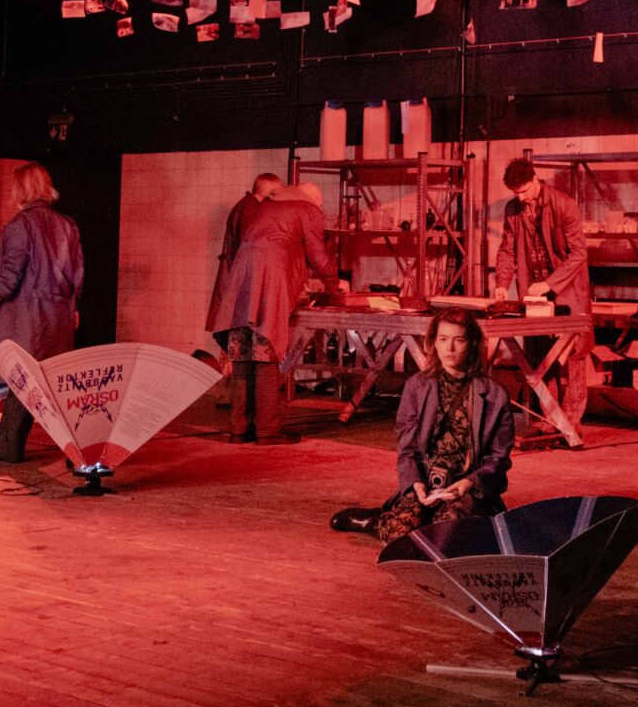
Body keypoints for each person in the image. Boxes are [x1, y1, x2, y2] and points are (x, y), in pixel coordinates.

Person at [331, 309, 514, 539]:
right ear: (434, 343)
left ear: (472, 343)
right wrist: (415, 483)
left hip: (468, 490)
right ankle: (376, 521)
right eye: (443, 339)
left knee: (444, 537)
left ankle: (446, 522)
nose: (450, 348)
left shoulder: (495, 395)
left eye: (459, 340)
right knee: (398, 533)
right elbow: (407, 449)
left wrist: (469, 483)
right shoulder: (417, 386)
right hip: (426, 482)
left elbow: (498, 459)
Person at [0, 160, 83, 465]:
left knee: (22, 380)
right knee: (54, 384)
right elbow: (77, 273)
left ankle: (9, 448)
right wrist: (74, 308)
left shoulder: (20, 226)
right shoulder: (67, 225)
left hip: (28, 317)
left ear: (21, 189)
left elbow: (10, 275)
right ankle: (76, 450)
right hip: (58, 316)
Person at [205, 180, 332, 442]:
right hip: (268, 285)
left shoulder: (266, 206)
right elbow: (317, 255)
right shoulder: (306, 209)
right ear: (314, 201)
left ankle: (239, 429)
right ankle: (267, 430)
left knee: (242, 355)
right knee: (265, 352)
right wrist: (335, 282)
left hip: (242, 283)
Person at [492, 158, 591, 317]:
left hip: (567, 291)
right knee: (535, 331)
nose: (520, 198)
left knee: (568, 332)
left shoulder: (565, 205)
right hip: (532, 293)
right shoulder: (513, 209)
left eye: (524, 191)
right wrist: (502, 284)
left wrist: (549, 284)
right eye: (516, 193)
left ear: (535, 179)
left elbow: (579, 253)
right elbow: (507, 251)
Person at [208, 172, 285, 322]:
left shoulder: (245, 205)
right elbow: (251, 249)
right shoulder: (252, 210)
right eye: (277, 193)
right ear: (268, 193)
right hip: (241, 285)